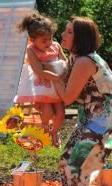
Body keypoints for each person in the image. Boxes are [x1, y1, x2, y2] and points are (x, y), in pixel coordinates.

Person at [53, 16, 112, 186]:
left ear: (80, 38)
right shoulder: (76, 58)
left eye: (68, 32)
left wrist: (47, 75)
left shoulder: (85, 61)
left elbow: (66, 97)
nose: (63, 35)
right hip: (90, 120)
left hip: (108, 124)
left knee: (78, 168)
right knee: (65, 164)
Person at [15, 11, 67, 148]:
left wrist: (63, 73)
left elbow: (64, 60)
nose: (48, 43)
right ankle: (45, 131)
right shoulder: (31, 50)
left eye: (50, 38)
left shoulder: (55, 45)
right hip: (44, 86)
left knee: (61, 114)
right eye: (44, 40)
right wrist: (57, 77)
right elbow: (39, 71)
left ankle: (55, 131)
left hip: (57, 86)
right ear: (32, 39)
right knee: (48, 113)